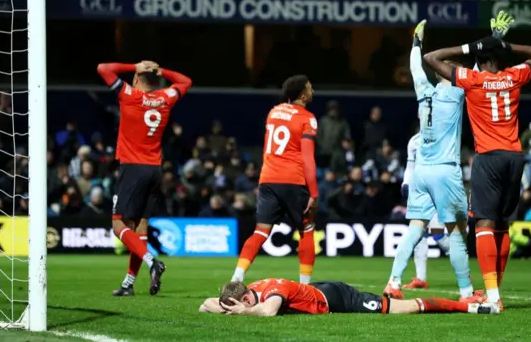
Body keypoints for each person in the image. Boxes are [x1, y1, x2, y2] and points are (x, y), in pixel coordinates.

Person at [423, 11, 531, 310]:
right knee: (503, 225)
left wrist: (471, 47)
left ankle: (492, 299)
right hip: (515, 157)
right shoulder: (513, 76)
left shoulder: (473, 79)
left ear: (482, 59)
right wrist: (506, 45)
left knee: (484, 224)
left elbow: (431, 57)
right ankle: (495, 291)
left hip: (488, 157)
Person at [385, 20, 481, 304]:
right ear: (451, 74)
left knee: (416, 228)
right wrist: (488, 43)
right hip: (444, 171)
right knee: (455, 232)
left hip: (421, 172)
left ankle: (393, 282)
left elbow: (416, 67)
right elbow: (476, 74)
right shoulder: (456, 93)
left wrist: (416, 43)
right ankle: (466, 293)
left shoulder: (423, 91)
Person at [97, 60, 192, 296]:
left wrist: (134, 66)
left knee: (118, 225)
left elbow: (103, 68)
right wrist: (162, 71)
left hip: (132, 168)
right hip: (154, 170)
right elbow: (186, 81)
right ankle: (129, 284)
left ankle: (153, 262)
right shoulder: (165, 98)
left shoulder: (129, 95)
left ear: (138, 80)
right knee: (139, 230)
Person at [230, 75, 318, 284]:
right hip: (294, 180)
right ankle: (304, 287)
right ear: (303, 95)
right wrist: (314, 192)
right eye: (311, 88)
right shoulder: (308, 118)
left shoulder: (273, 112)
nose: (313, 91)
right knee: (306, 229)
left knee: (260, 231)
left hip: (268, 179)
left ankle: (236, 277)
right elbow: (307, 158)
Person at [199, 279, 500, 316]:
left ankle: (467, 303)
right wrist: (225, 308)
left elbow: (267, 313)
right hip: (318, 290)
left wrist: (237, 313)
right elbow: (204, 305)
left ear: (247, 297)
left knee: (403, 309)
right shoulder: (250, 291)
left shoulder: (272, 292)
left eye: (241, 304)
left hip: (338, 297)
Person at [400, 132, 450, 290]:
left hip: (438, 190)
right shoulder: (414, 141)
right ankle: (420, 278)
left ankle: (464, 272)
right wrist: (405, 183)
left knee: (438, 233)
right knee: (419, 233)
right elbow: (410, 166)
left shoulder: (443, 136)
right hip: (419, 193)